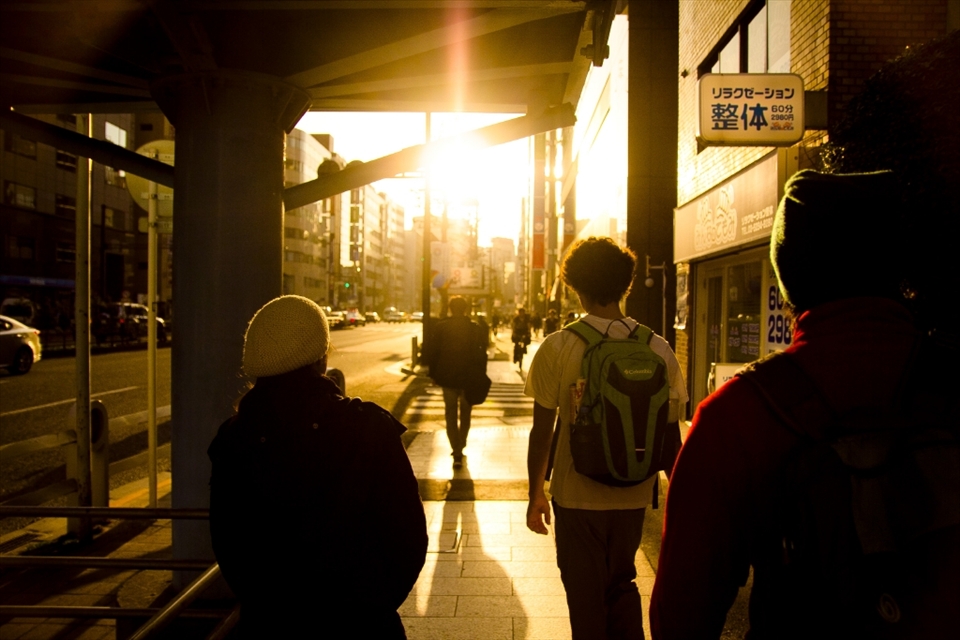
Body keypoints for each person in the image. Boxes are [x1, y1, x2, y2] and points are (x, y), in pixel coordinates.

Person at [651, 33, 960, 640]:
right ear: (899, 264)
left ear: (790, 276)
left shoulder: (739, 418)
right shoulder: (950, 379)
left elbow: (680, 615)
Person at [207, 295, 427, 638]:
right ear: (320, 359)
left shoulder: (234, 439)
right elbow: (408, 537)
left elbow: (229, 543)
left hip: (269, 624)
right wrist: (374, 605)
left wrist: (267, 603)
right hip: (362, 624)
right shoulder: (369, 427)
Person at [525, 237, 688, 639]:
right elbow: (671, 436)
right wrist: (680, 500)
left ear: (575, 286)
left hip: (577, 495)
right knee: (623, 583)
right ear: (626, 285)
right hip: (634, 493)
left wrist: (536, 494)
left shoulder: (560, 346)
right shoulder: (658, 347)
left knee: (585, 597)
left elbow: (541, 432)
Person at [421, 296, 488, 468]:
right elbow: (482, 354)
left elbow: (433, 352)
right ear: (466, 309)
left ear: (450, 308)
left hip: (447, 377)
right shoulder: (474, 328)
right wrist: (481, 373)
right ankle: (461, 445)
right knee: (465, 414)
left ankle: (456, 449)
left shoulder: (442, 327)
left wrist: (433, 374)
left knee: (450, 413)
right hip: (468, 378)